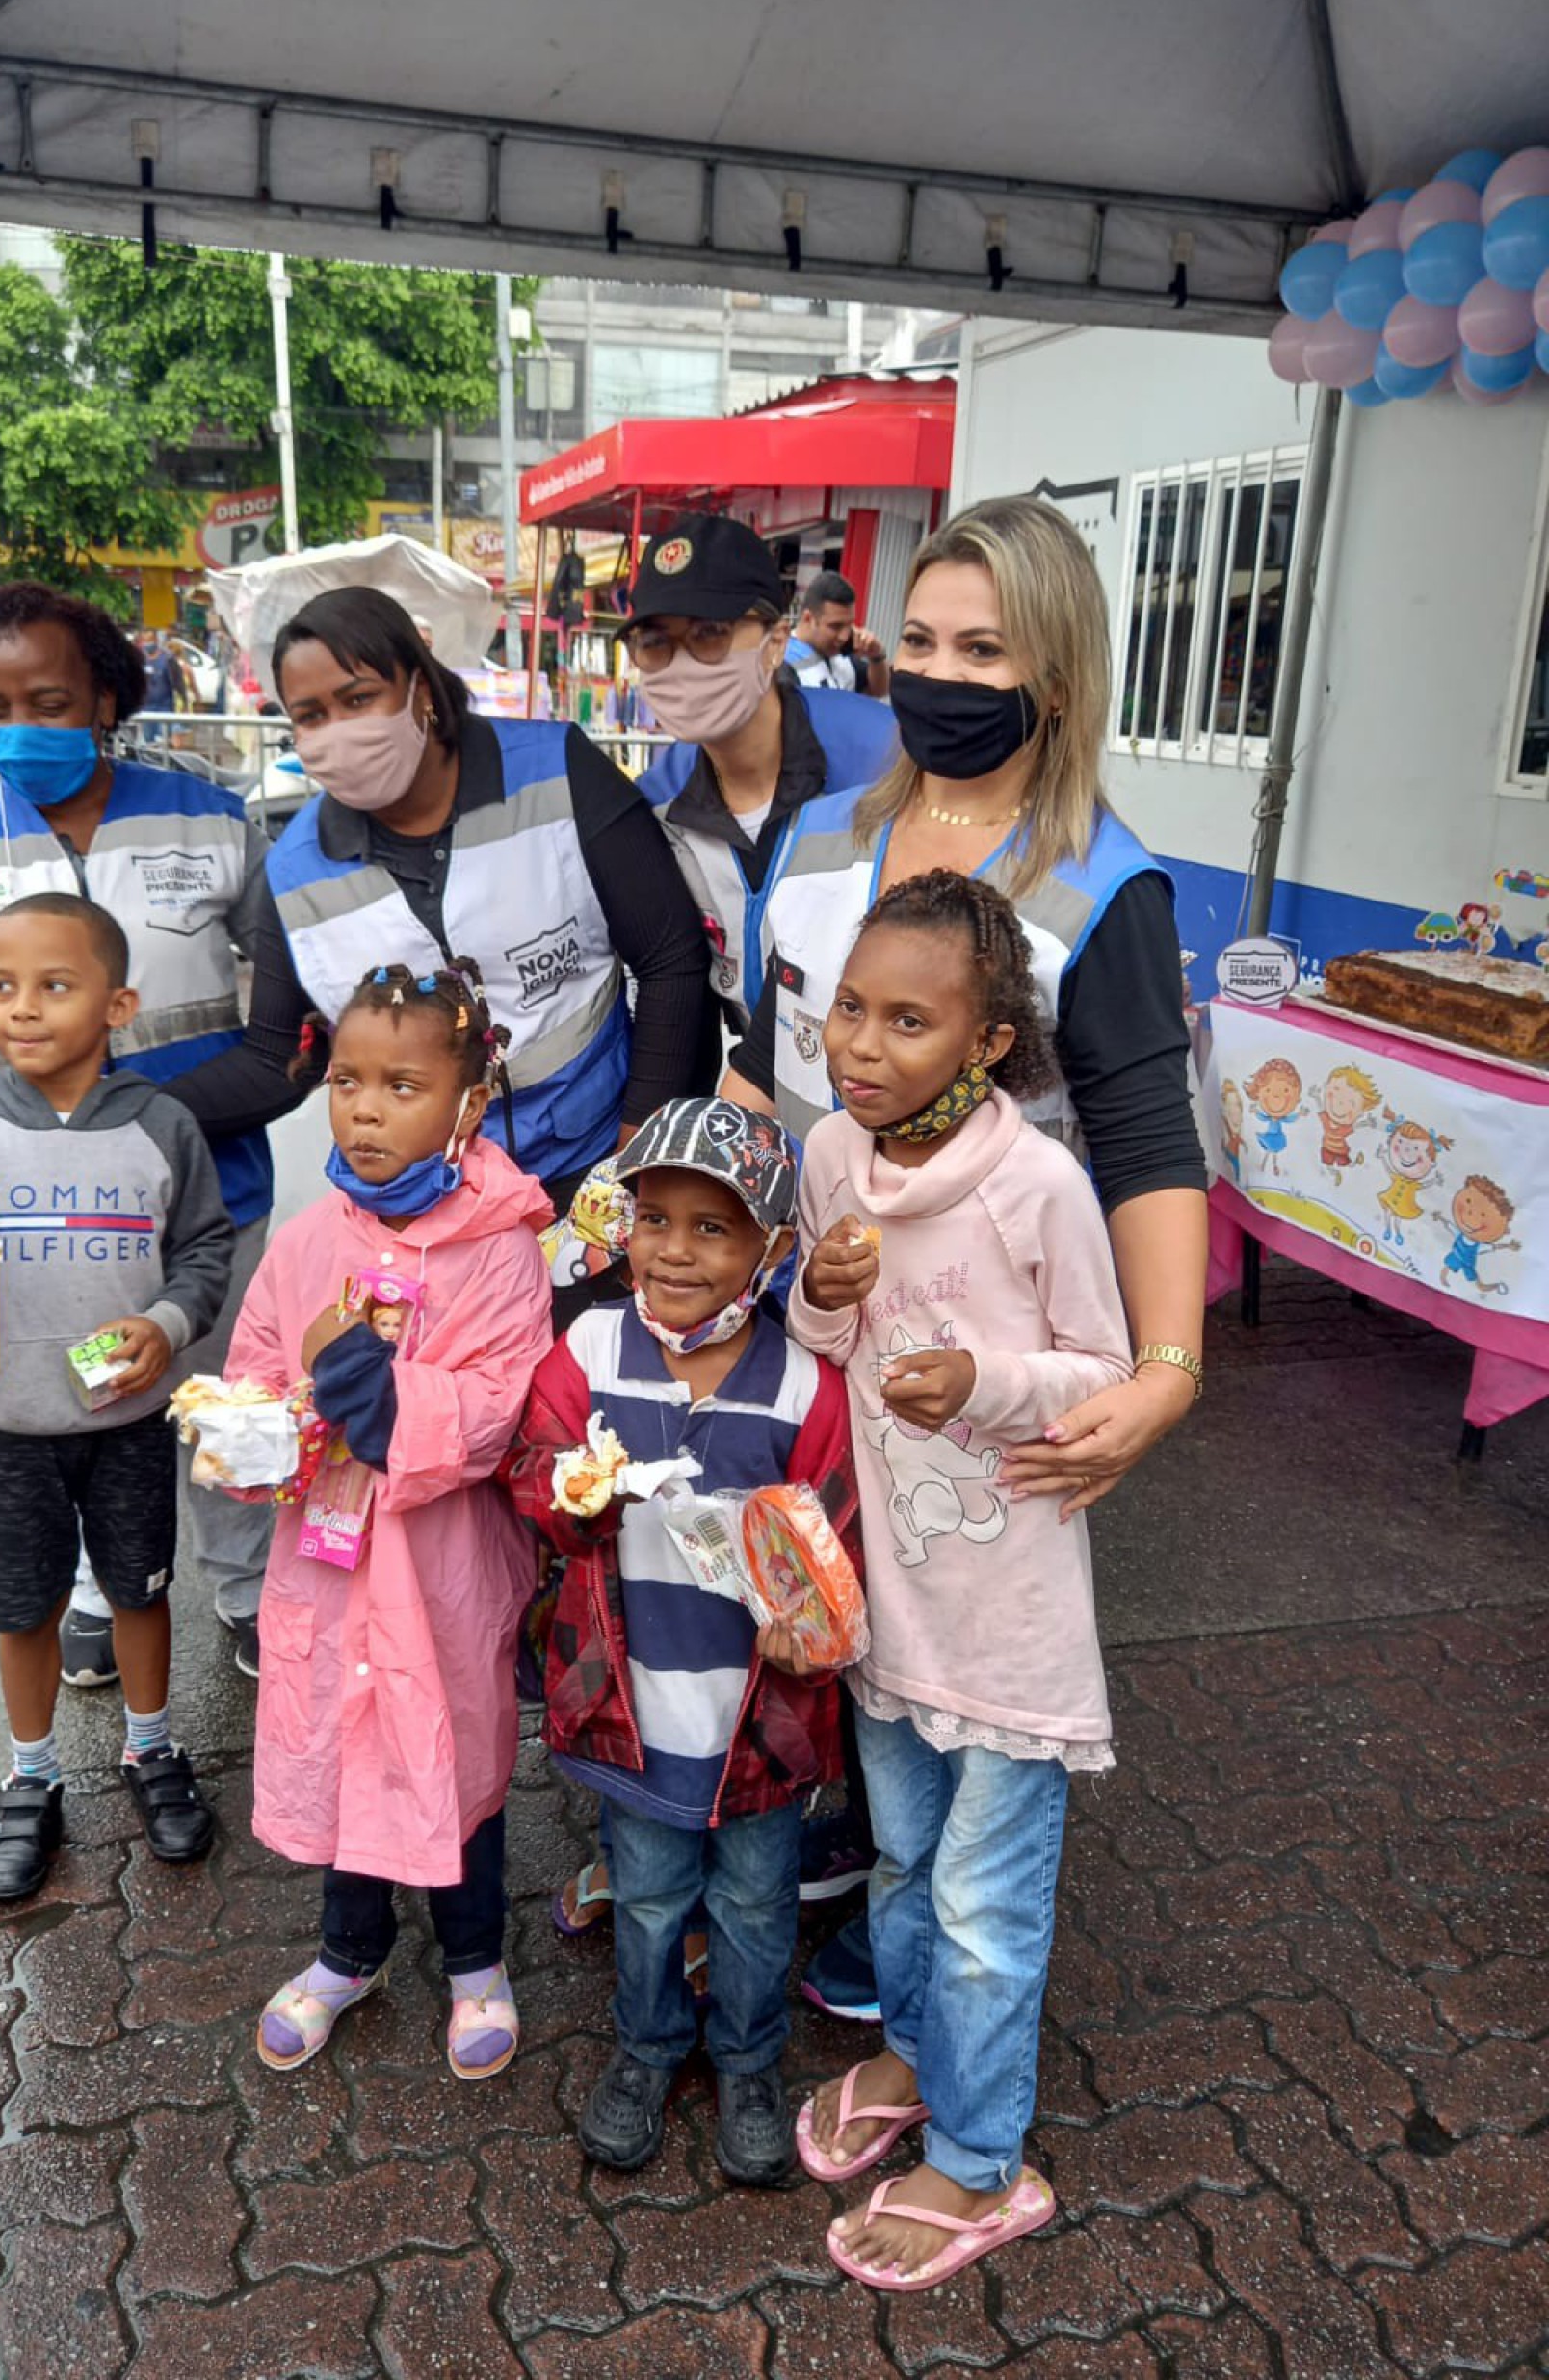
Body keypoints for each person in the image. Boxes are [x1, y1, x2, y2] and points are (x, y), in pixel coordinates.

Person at [728, 494, 1208, 2018]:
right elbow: (762, 1060)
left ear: (1053, 677)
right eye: (920, 639)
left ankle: (913, 1922)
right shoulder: (817, 837)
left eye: (984, 647)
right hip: (808, 1309)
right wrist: (656, 1223)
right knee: (809, 1579)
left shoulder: (1102, 887)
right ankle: (840, 1836)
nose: (939, 673)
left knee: (949, 1616)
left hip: (969, 1355)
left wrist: (1164, 1373)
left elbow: (1144, 1145)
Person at [0, 581, 309, 1682]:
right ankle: (101, 1583)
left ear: (104, 697)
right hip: (29, 1206)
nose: (20, 727)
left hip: (204, 1188)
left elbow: (284, 977)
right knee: (81, 1392)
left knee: (221, 1393)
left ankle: (242, 1586)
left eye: (49, 700)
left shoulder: (208, 819)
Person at [789, 872, 1132, 2292]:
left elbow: (1103, 1373)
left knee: (991, 1908)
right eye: (849, 1009)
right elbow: (815, 1343)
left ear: (988, 1043)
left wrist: (984, 1385)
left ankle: (985, 2163)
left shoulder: (1036, 1183)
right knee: (904, 1869)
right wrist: (827, 1288)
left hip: (1011, 1625)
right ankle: (923, 2064)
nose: (862, 1045)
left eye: (908, 1021)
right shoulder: (828, 1157)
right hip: (892, 1602)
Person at [501, 1098, 859, 2185]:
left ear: (772, 1247)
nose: (673, 1251)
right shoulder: (589, 1349)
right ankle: (648, 2044)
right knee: (649, 1893)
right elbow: (533, 1468)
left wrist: (818, 1632)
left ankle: (749, 2058)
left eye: (713, 1228)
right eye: (655, 1219)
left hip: (758, 1724)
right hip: (631, 1711)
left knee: (755, 1905)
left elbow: (837, 1538)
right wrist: (572, 1494)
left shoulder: (806, 1385)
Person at [230, 958, 551, 2081]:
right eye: (350, 1080)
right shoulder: (307, 1237)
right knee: (344, 1744)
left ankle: (475, 1961)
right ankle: (346, 1952)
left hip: (438, 1565)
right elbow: (261, 1368)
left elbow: (491, 1408)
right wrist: (258, 1435)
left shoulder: (502, 1248)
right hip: (325, 1559)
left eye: (402, 1086)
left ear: (468, 1104)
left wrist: (370, 1387)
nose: (365, 1107)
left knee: (450, 1754)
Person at [0, 892, 233, 1901]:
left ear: (118, 1004)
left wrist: (165, 1326)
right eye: (0, 986)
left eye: (54, 985)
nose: (21, 1009)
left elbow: (205, 1248)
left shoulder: (165, 1126)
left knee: (140, 1586)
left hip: (125, 1418)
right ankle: (31, 1773)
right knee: (23, 1603)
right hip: (4, 1422)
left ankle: (150, 1748)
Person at [264, 587, 711, 1221]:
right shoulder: (292, 867)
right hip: (426, 1202)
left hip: (591, 1164)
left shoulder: (556, 770)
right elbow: (271, 1052)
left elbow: (671, 956)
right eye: (310, 716)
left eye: (359, 698)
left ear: (419, 687)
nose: (338, 730)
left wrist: (639, 1148)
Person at [631, 519, 897, 1044]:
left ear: (776, 641)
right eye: (655, 642)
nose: (682, 664)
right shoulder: (655, 801)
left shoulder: (879, 756)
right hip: (754, 1074)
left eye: (711, 634)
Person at [785, 569, 892, 698]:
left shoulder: (842, 652)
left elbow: (878, 691)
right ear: (808, 618)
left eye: (850, 624)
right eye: (836, 626)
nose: (844, 636)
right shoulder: (781, 661)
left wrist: (876, 656)